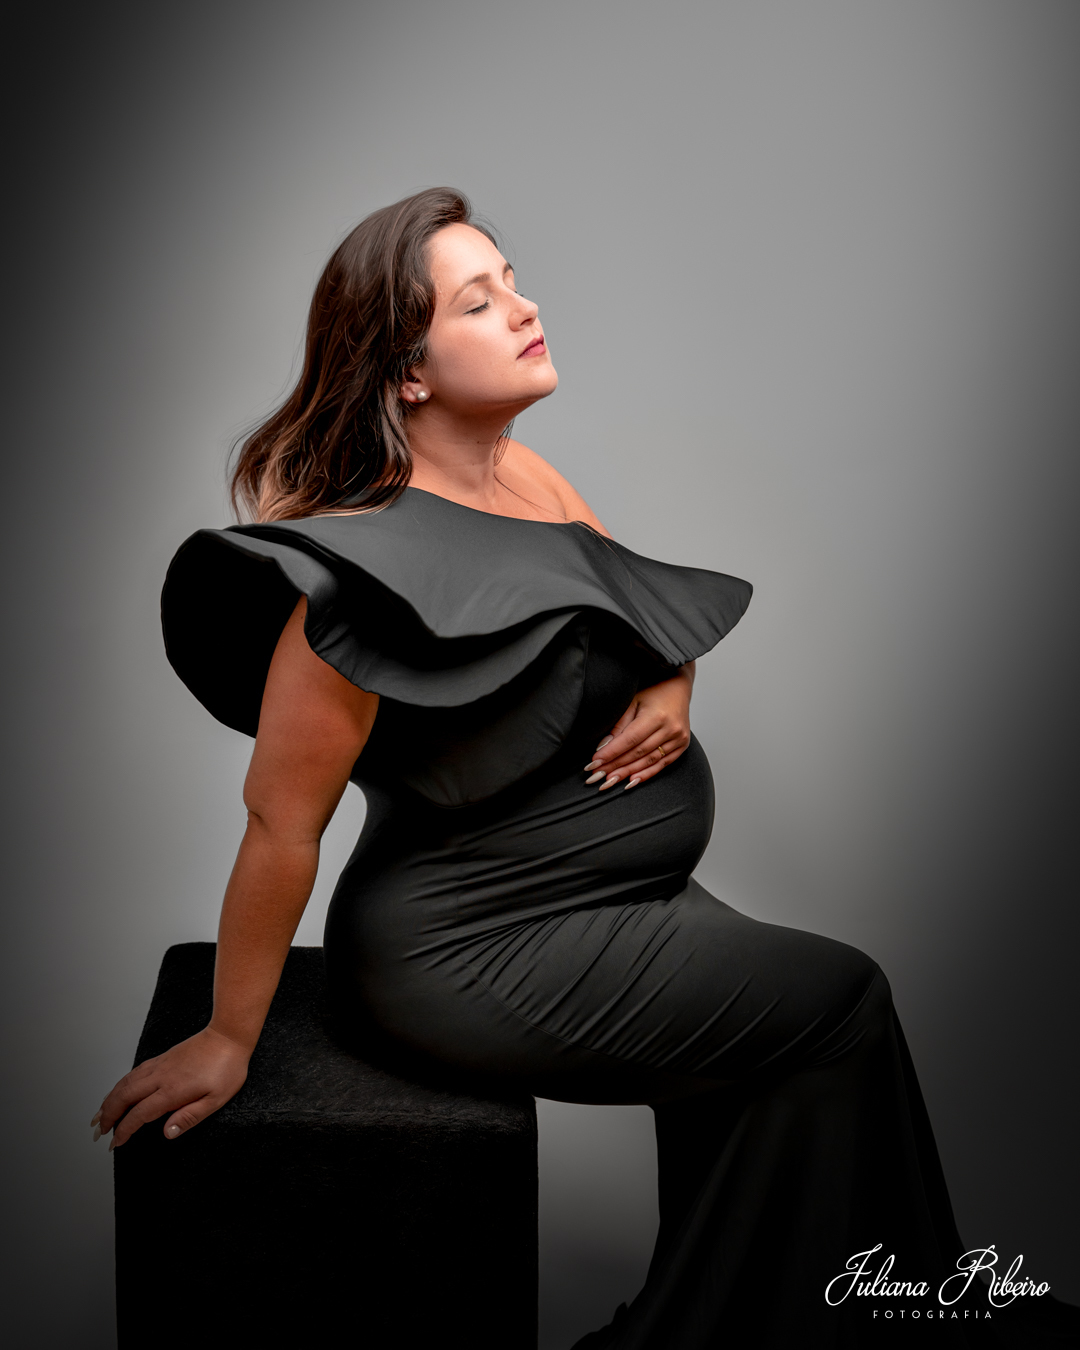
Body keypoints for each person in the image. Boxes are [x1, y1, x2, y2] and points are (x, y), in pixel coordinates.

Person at [92, 188, 1078, 1348]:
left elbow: (642, 612)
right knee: (842, 1001)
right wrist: (229, 1037)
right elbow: (279, 826)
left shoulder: (532, 482)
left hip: (606, 899)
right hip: (470, 946)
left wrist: (675, 687)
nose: (525, 308)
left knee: (770, 1066)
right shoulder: (351, 588)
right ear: (407, 373)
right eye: (479, 301)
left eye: (512, 282)